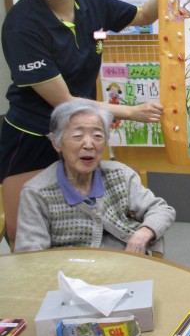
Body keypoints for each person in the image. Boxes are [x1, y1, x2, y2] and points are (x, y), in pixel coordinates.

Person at [0, 0, 163, 182]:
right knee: (29, 205)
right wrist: (132, 112)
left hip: (79, 130)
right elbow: (64, 101)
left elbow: (143, 15)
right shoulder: (21, 25)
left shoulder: (92, 0)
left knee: (81, 199)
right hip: (33, 134)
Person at [14, 100, 175, 254]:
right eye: (78, 136)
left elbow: (161, 209)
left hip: (126, 260)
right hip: (69, 269)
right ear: (56, 143)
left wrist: (144, 233)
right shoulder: (37, 192)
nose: (89, 145)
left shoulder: (120, 174)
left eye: (97, 136)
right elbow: (32, 254)